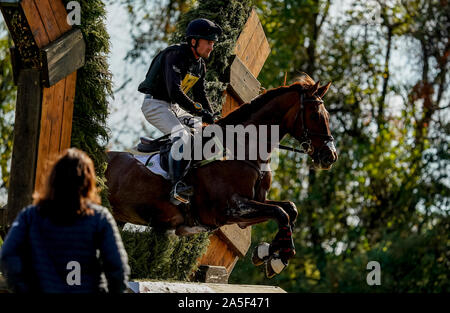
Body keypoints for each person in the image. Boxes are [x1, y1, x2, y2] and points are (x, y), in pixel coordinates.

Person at [0, 148, 130, 293]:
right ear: (88, 181)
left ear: (52, 178)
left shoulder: (30, 215)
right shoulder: (99, 217)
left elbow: (7, 255)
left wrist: (23, 287)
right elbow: (117, 266)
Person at [138, 18, 222, 205]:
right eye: (208, 42)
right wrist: (198, 109)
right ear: (194, 41)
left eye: (213, 43)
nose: (211, 47)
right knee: (182, 135)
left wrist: (214, 119)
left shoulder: (200, 65)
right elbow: (174, 91)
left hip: (173, 107)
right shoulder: (175, 55)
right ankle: (177, 186)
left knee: (203, 129)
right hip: (155, 105)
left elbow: (201, 95)